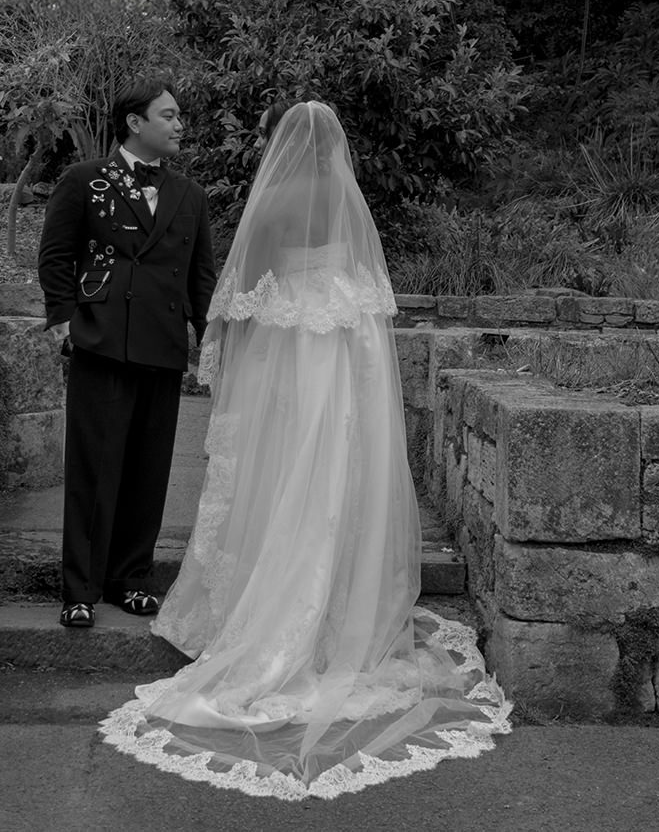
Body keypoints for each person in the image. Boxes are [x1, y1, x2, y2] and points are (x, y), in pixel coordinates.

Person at [99, 100, 511, 800]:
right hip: (341, 358)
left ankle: (276, 611)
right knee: (336, 473)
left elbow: (244, 291)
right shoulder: (346, 199)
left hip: (289, 356)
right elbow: (364, 293)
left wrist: (225, 350)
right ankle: (339, 613)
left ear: (282, 146)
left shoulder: (275, 201)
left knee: (283, 471)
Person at [38, 79, 219, 630]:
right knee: (94, 468)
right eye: (169, 115)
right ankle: (80, 589)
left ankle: (131, 579)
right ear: (135, 122)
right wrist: (65, 324)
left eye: (179, 115)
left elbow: (201, 277)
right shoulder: (83, 180)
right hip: (102, 340)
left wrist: (211, 339)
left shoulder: (190, 195)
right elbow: (56, 255)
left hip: (162, 345)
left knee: (149, 468)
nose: (180, 125)